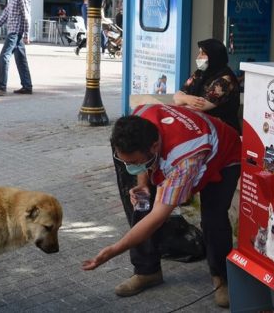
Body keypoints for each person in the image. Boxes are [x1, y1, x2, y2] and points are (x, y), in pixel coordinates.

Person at [82, 104, 241, 308]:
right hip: (177, 150)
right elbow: (143, 160)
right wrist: (142, 183)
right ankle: (147, 272)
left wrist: (113, 250)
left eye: (135, 162)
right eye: (126, 162)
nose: (130, 166)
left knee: (213, 217)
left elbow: (157, 218)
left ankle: (221, 279)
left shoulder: (183, 160)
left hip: (224, 155)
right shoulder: (140, 118)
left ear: (155, 147)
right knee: (142, 201)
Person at [173, 38, 241, 133]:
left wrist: (182, 99)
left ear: (214, 56)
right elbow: (177, 97)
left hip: (223, 132)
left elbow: (199, 106)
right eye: (199, 53)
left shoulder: (225, 80)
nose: (198, 57)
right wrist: (187, 99)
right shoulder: (200, 73)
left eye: (203, 54)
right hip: (202, 127)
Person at [0, 0, 33, 96]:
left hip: (16, 32)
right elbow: (6, 13)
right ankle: (27, 86)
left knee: (4, 56)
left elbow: (26, 15)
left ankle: (1, 87)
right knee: (20, 59)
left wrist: (26, 34)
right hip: (14, 31)